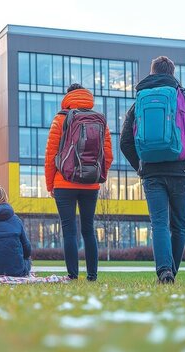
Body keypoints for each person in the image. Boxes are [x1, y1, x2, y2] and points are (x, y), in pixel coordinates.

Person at [120, 56, 185, 284]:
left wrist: (139, 165)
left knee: (158, 223)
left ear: (152, 72)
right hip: (181, 170)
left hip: (152, 172)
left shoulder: (139, 101)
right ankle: (172, 272)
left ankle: (164, 271)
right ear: (172, 73)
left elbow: (124, 142)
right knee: (178, 225)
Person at [44, 83, 113, 281]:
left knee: (69, 230)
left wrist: (50, 185)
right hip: (91, 184)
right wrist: (100, 176)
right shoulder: (100, 120)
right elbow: (108, 155)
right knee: (88, 229)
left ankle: (72, 275)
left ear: (68, 97)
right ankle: (92, 275)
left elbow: (51, 156)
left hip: (64, 182)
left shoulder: (60, 119)